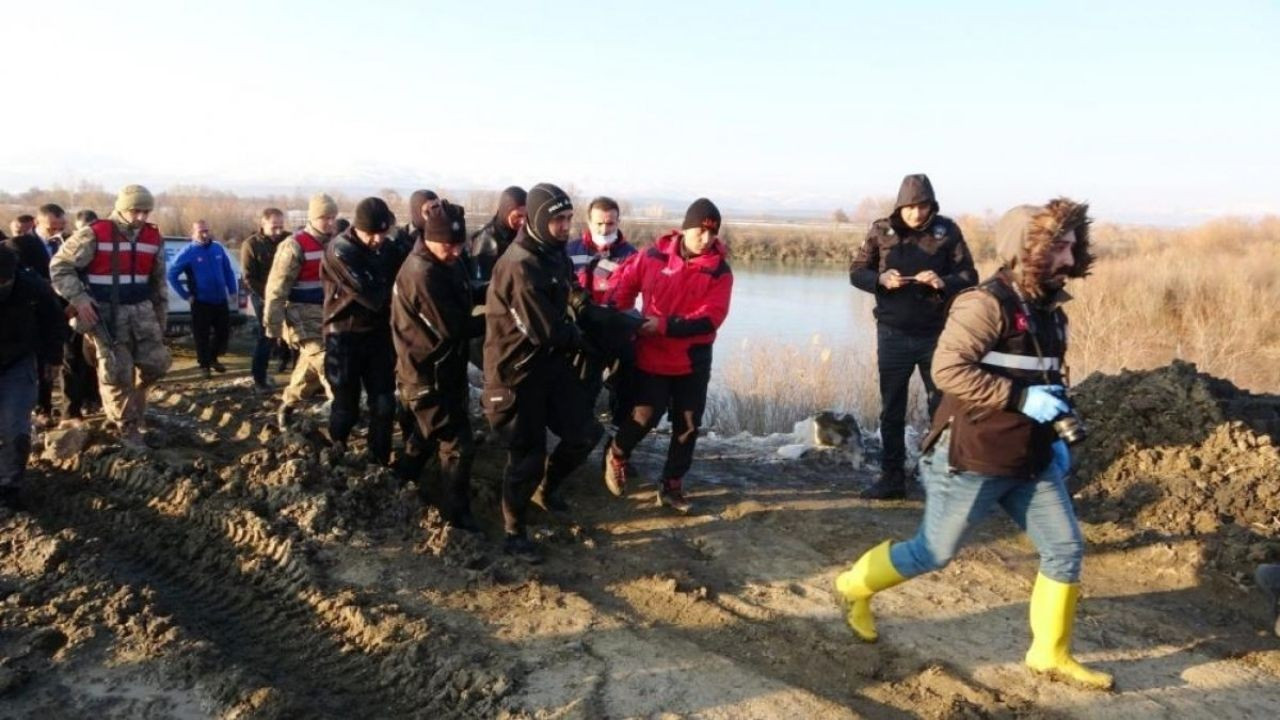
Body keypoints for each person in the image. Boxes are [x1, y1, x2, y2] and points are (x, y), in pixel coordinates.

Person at [834, 198, 1113, 690]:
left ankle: (1049, 654)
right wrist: (1021, 400)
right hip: (972, 455)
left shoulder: (1050, 311)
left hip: (1031, 457)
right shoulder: (985, 303)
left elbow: (1047, 377)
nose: (1071, 258)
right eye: (1061, 247)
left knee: (1065, 549)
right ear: (1029, 249)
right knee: (932, 553)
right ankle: (853, 587)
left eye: (1074, 246)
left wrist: (1059, 423)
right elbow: (947, 371)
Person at [482, 183, 602, 563]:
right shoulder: (518, 264)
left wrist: (586, 306)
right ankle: (514, 530)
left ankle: (547, 490)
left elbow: (568, 292)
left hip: (550, 365)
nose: (565, 226)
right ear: (537, 219)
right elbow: (545, 330)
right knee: (526, 456)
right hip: (515, 373)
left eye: (568, 218)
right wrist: (588, 339)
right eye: (558, 219)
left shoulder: (554, 254)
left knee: (585, 433)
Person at [850, 174, 976, 499]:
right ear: (900, 206)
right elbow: (856, 271)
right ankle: (892, 478)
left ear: (931, 205)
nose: (917, 213)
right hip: (892, 334)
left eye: (922, 206)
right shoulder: (881, 230)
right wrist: (880, 279)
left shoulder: (947, 231)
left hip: (936, 335)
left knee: (943, 406)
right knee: (892, 408)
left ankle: (939, 477)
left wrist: (943, 281)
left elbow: (970, 276)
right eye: (910, 207)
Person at [602, 198, 733, 513]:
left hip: (693, 359)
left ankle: (672, 484)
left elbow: (709, 318)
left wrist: (660, 324)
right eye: (701, 232)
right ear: (686, 228)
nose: (707, 239)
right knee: (645, 416)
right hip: (652, 355)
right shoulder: (652, 256)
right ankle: (617, 453)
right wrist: (622, 319)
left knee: (688, 425)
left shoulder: (720, 271)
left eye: (712, 234)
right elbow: (622, 285)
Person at [50, 184, 172, 448]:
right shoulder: (94, 234)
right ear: (122, 208)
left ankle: (133, 405)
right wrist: (79, 299)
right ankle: (127, 426)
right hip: (105, 314)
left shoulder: (152, 237)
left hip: (142, 312)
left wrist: (161, 319)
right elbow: (60, 267)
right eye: (135, 210)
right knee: (116, 372)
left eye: (146, 211)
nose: (141, 217)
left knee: (157, 363)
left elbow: (158, 282)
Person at [391, 200, 483, 530]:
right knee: (458, 445)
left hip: (445, 369)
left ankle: (400, 481)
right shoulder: (422, 273)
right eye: (449, 245)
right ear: (430, 238)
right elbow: (454, 327)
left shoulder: (446, 261)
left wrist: (494, 291)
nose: (456, 251)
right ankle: (456, 518)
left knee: (426, 434)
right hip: (424, 373)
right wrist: (501, 320)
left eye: (460, 244)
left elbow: (466, 294)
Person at [321, 197, 404, 464]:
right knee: (346, 406)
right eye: (371, 234)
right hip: (343, 334)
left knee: (384, 403)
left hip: (378, 334)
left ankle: (378, 460)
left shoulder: (388, 248)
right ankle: (336, 450)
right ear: (358, 228)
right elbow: (370, 294)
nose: (377, 240)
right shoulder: (340, 250)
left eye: (382, 233)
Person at [265, 193, 338, 426]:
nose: (329, 222)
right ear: (312, 217)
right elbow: (276, 289)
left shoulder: (337, 243)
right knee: (329, 364)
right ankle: (341, 415)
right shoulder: (294, 245)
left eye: (332, 217)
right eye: (324, 217)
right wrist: (273, 327)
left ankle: (289, 405)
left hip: (330, 315)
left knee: (310, 367)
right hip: (301, 317)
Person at [0, 246, 64, 506]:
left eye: (3, 281)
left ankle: (9, 486)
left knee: (15, 425)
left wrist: (53, 358)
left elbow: (53, 320)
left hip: (18, 360)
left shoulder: (31, 286)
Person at [168, 220, 237, 378]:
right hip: (201, 301)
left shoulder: (217, 248)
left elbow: (228, 270)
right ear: (193, 233)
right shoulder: (188, 252)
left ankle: (213, 358)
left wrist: (232, 290)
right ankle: (204, 365)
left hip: (220, 299)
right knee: (202, 335)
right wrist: (186, 295)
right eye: (201, 232)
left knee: (223, 334)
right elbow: (172, 275)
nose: (205, 234)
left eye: (207, 231)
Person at [241, 208, 290, 390]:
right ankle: (259, 377)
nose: (278, 231)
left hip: (288, 294)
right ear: (263, 223)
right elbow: (248, 277)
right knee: (267, 336)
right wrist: (270, 296)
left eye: (280, 227)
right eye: (274, 227)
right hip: (263, 296)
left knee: (296, 334)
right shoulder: (251, 245)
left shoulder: (288, 240)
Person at [469, 186, 527, 285]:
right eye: (518, 216)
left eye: (526, 216)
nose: (522, 221)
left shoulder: (521, 234)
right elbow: (480, 286)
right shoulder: (487, 241)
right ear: (506, 211)